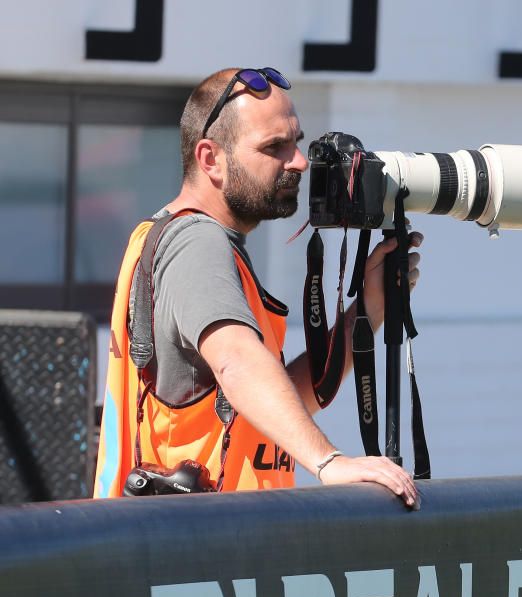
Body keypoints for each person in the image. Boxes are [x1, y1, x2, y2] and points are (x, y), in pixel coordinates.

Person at [93, 67, 420, 507]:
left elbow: (269, 402)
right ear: (210, 159)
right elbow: (237, 362)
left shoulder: (190, 240)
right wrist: (328, 462)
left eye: (297, 142)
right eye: (274, 148)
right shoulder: (196, 242)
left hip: (198, 550)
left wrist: (367, 310)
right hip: (198, 552)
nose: (300, 161)